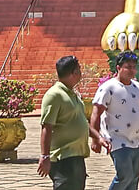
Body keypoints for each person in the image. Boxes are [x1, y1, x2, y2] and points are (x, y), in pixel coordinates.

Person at [90, 52, 139, 190]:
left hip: (136, 140)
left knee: (133, 180)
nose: (132, 70)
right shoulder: (108, 87)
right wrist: (96, 139)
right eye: (128, 67)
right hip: (117, 140)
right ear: (118, 68)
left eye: (134, 67)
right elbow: (96, 113)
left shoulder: (137, 87)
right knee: (125, 176)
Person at [39, 55, 102, 190]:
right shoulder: (54, 95)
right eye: (79, 69)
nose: (81, 73)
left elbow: (82, 123)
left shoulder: (73, 95)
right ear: (74, 73)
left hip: (76, 156)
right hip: (63, 158)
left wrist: (98, 137)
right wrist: (44, 156)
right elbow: (46, 127)